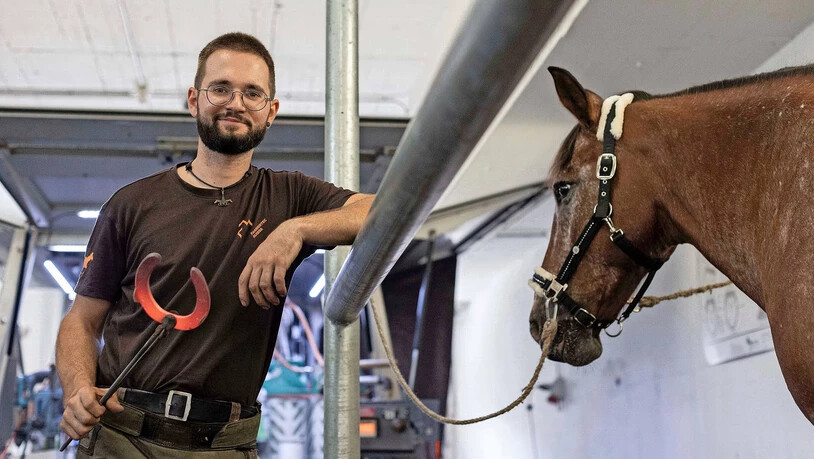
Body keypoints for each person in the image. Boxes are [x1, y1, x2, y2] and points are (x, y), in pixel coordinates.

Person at [54, 32, 374, 458]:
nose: (236, 103)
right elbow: (82, 320)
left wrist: (293, 230)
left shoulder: (289, 197)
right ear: (194, 99)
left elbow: (381, 212)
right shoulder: (132, 204)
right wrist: (77, 387)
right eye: (220, 88)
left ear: (271, 111)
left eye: (252, 93)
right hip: (122, 435)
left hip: (225, 444)